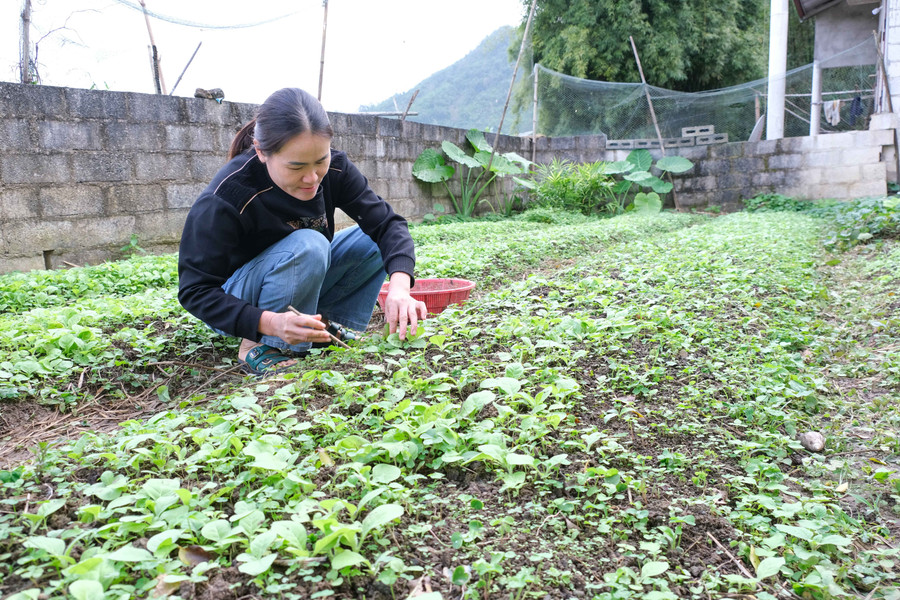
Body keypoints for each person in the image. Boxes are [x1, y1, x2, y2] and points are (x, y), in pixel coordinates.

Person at [178, 87, 427, 376]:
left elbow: (388, 224)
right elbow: (195, 290)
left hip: (296, 275)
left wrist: (399, 288)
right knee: (310, 243)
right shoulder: (229, 195)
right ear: (261, 151)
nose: (312, 178)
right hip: (239, 298)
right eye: (296, 167)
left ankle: (318, 328)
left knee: (370, 242)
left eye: (320, 161)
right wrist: (270, 323)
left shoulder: (337, 170)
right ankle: (256, 345)